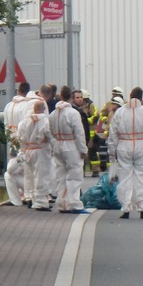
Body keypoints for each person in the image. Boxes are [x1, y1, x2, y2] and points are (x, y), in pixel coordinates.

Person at [109, 87, 143, 219]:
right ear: (142, 97)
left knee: (125, 177)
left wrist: (112, 153)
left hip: (124, 145)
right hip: (142, 143)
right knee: (142, 177)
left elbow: (113, 133)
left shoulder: (119, 112)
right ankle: (142, 208)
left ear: (130, 96)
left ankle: (126, 208)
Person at [51, 85, 89, 213]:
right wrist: (83, 150)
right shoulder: (73, 113)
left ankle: (62, 203)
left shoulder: (53, 114)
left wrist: (54, 145)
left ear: (61, 96)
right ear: (71, 98)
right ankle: (74, 203)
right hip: (71, 145)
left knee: (60, 175)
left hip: (58, 144)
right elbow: (79, 133)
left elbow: (49, 131)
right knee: (74, 175)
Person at [16, 99, 53, 210]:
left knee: (29, 176)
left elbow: (19, 137)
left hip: (28, 150)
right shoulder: (45, 121)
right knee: (41, 176)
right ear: (44, 109)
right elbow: (49, 134)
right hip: (41, 149)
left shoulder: (24, 122)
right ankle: (41, 202)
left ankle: (30, 198)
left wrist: (23, 150)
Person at [1, 81, 32, 207]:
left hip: (11, 140)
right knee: (25, 170)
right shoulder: (27, 106)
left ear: (18, 91)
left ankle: (17, 198)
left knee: (13, 170)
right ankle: (28, 194)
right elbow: (27, 125)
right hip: (23, 141)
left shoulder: (8, 106)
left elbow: (5, 124)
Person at [94, 96, 121, 174]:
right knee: (110, 155)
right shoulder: (111, 113)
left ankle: (116, 172)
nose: (111, 105)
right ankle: (111, 172)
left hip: (118, 138)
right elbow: (109, 125)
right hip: (110, 137)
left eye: (114, 104)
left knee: (117, 156)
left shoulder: (120, 114)